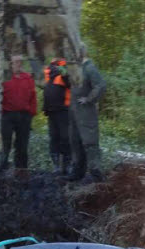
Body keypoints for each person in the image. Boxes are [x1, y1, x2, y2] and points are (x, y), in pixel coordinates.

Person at [66, 45, 107, 182]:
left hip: (86, 112)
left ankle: (95, 174)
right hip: (75, 112)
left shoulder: (89, 67)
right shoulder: (77, 68)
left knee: (89, 142)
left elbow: (100, 85)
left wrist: (89, 99)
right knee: (75, 141)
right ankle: (78, 172)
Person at [0, 55, 37, 175]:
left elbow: (33, 97)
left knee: (22, 144)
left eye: (20, 62)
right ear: (11, 63)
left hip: (24, 115)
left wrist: (31, 113)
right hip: (7, 115)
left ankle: (21, 170)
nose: (19, 64)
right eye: (16, 62)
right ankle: (1, 168)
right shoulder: (4, 78)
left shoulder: (27, 78)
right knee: (6, 143)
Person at [43, 58, 71, 174]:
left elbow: (69, 79)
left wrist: (61, 69)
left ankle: (67, 164)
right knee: (53, 138)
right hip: (51, 111)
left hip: (63, 111)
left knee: (65, 137)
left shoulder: (64, 73)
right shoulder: (48, 75)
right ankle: (56, 166)